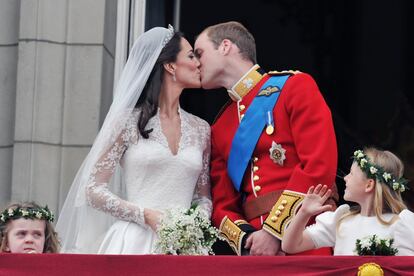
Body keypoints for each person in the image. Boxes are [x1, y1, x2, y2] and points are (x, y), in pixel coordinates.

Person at [56, 26, 212, 254]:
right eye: (190, 56)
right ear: (170, 66)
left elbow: (203, 197)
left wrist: (192, 225)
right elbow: (92, 189)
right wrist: (145, 215)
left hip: (185, 248)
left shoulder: (201, 129)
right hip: (134, 243)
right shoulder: (126, 121)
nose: (198, 63)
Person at [194, 21, 338, 256]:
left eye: (200, 53)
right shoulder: (220, 126)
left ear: (225, 46)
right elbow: (222, 205)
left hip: (306, 237)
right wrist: (249, 239)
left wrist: (274, 230)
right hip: (257, 252)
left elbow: (319, 167)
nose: (196, 63)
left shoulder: (295, 87)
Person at [282, 148, 414, 255]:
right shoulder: (341, 220)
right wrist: (304, 212)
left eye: (351, 173)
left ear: (369, 185)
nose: (345, 178)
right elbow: (290, 246)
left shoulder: (401, 224)